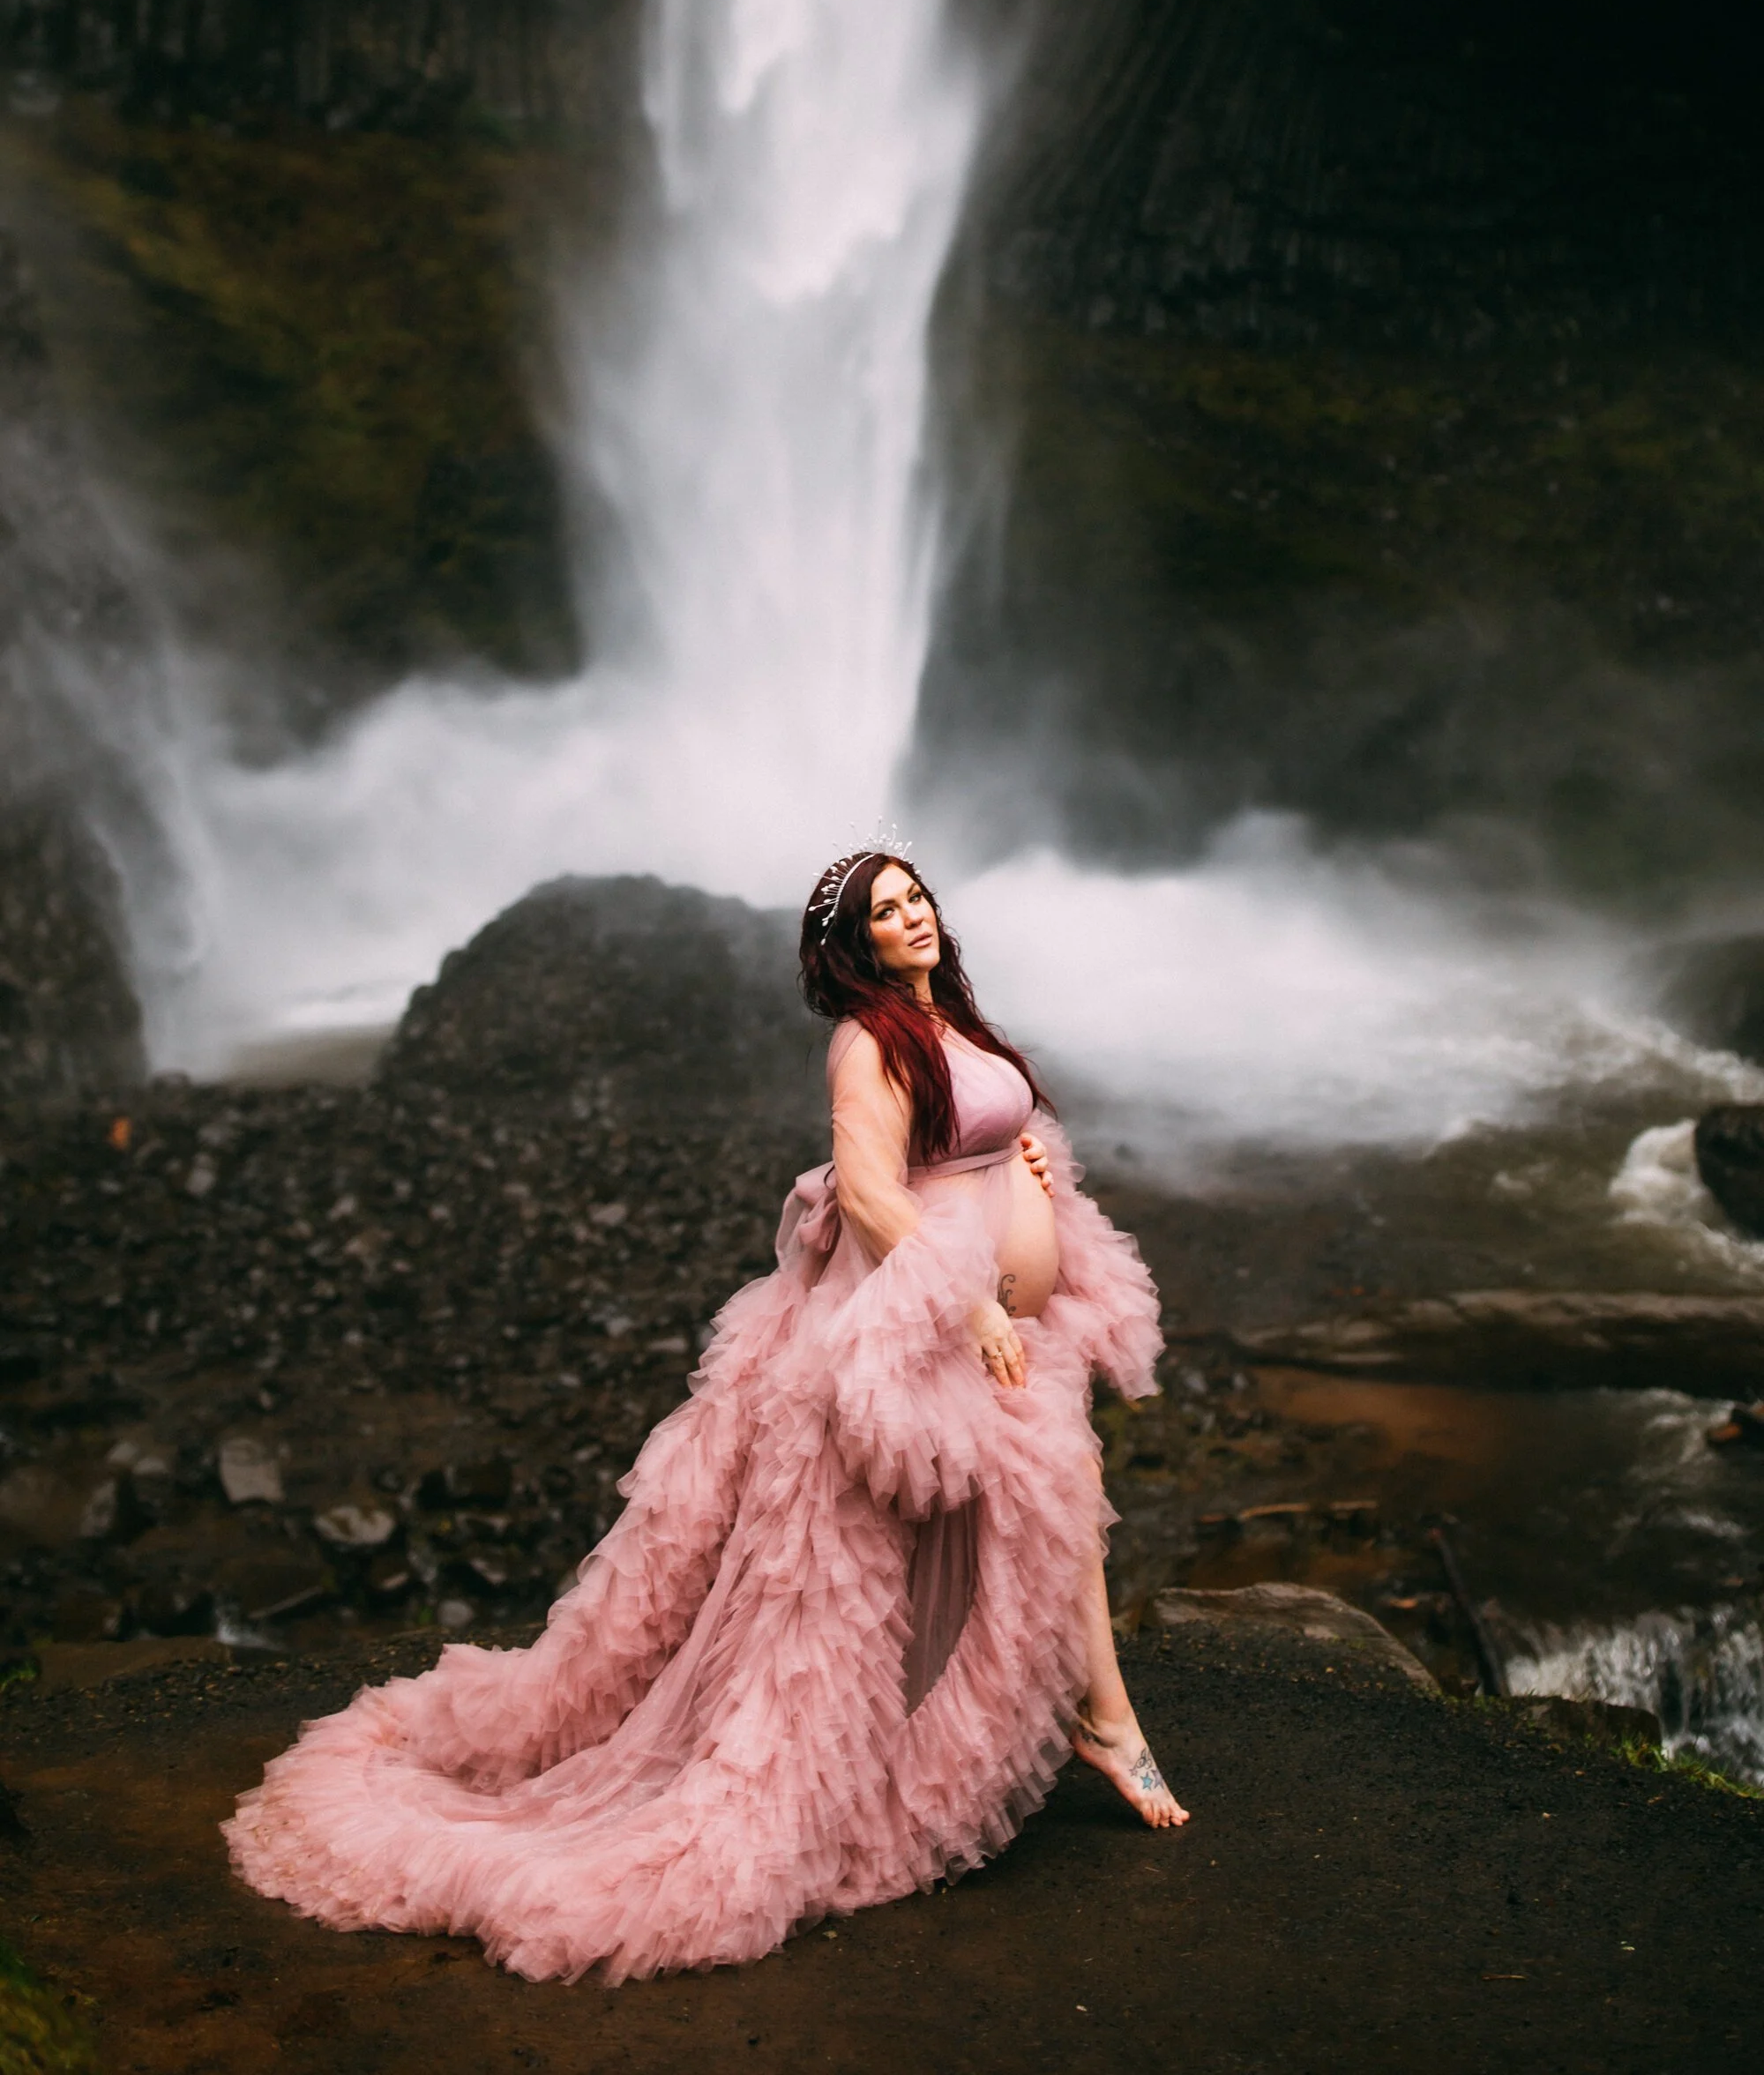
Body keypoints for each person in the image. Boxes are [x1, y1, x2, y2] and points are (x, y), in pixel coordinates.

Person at [223, 848, 1187, 1984]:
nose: (913, 917)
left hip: (997, 1325)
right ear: (856, 945)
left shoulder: (950, 1020)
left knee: (1044, 1505)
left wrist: (1015, 1153)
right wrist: (971, 1298)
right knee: (860, 1586)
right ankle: (1039, 1736)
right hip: (917, 1324)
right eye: (886, 911)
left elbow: (958, 1143)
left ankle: (1094, 1720)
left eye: (916, 897)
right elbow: (873, 1191)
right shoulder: (869, 1039)